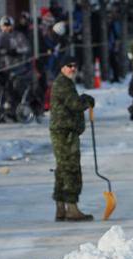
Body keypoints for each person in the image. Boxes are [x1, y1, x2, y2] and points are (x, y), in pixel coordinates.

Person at [49, 56, 95, 222]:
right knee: (71, 168)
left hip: (64, 131)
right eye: (69, 65)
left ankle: (61, 208)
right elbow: (75, 104)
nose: (73, 68)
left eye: (75, 65)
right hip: (65, 132)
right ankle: (72, 208)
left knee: (62, 168)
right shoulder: (62, 84)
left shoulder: (65, 83)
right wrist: (86, 100)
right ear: (62, 67)